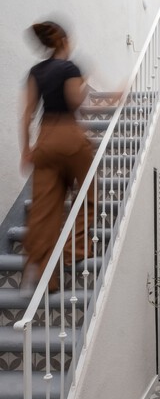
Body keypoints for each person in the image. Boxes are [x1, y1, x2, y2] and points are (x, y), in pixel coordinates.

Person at [20, 20, 94, 293]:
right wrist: (84, 83)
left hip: (45, 138)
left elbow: (27, 112)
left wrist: (26, 150)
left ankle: (41, 269)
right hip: (70, 135)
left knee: (44, 208)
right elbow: (75, 102)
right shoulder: (70, 67)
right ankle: (73, 249)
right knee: (88, 193)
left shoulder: (35, 71)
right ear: (64, 41)